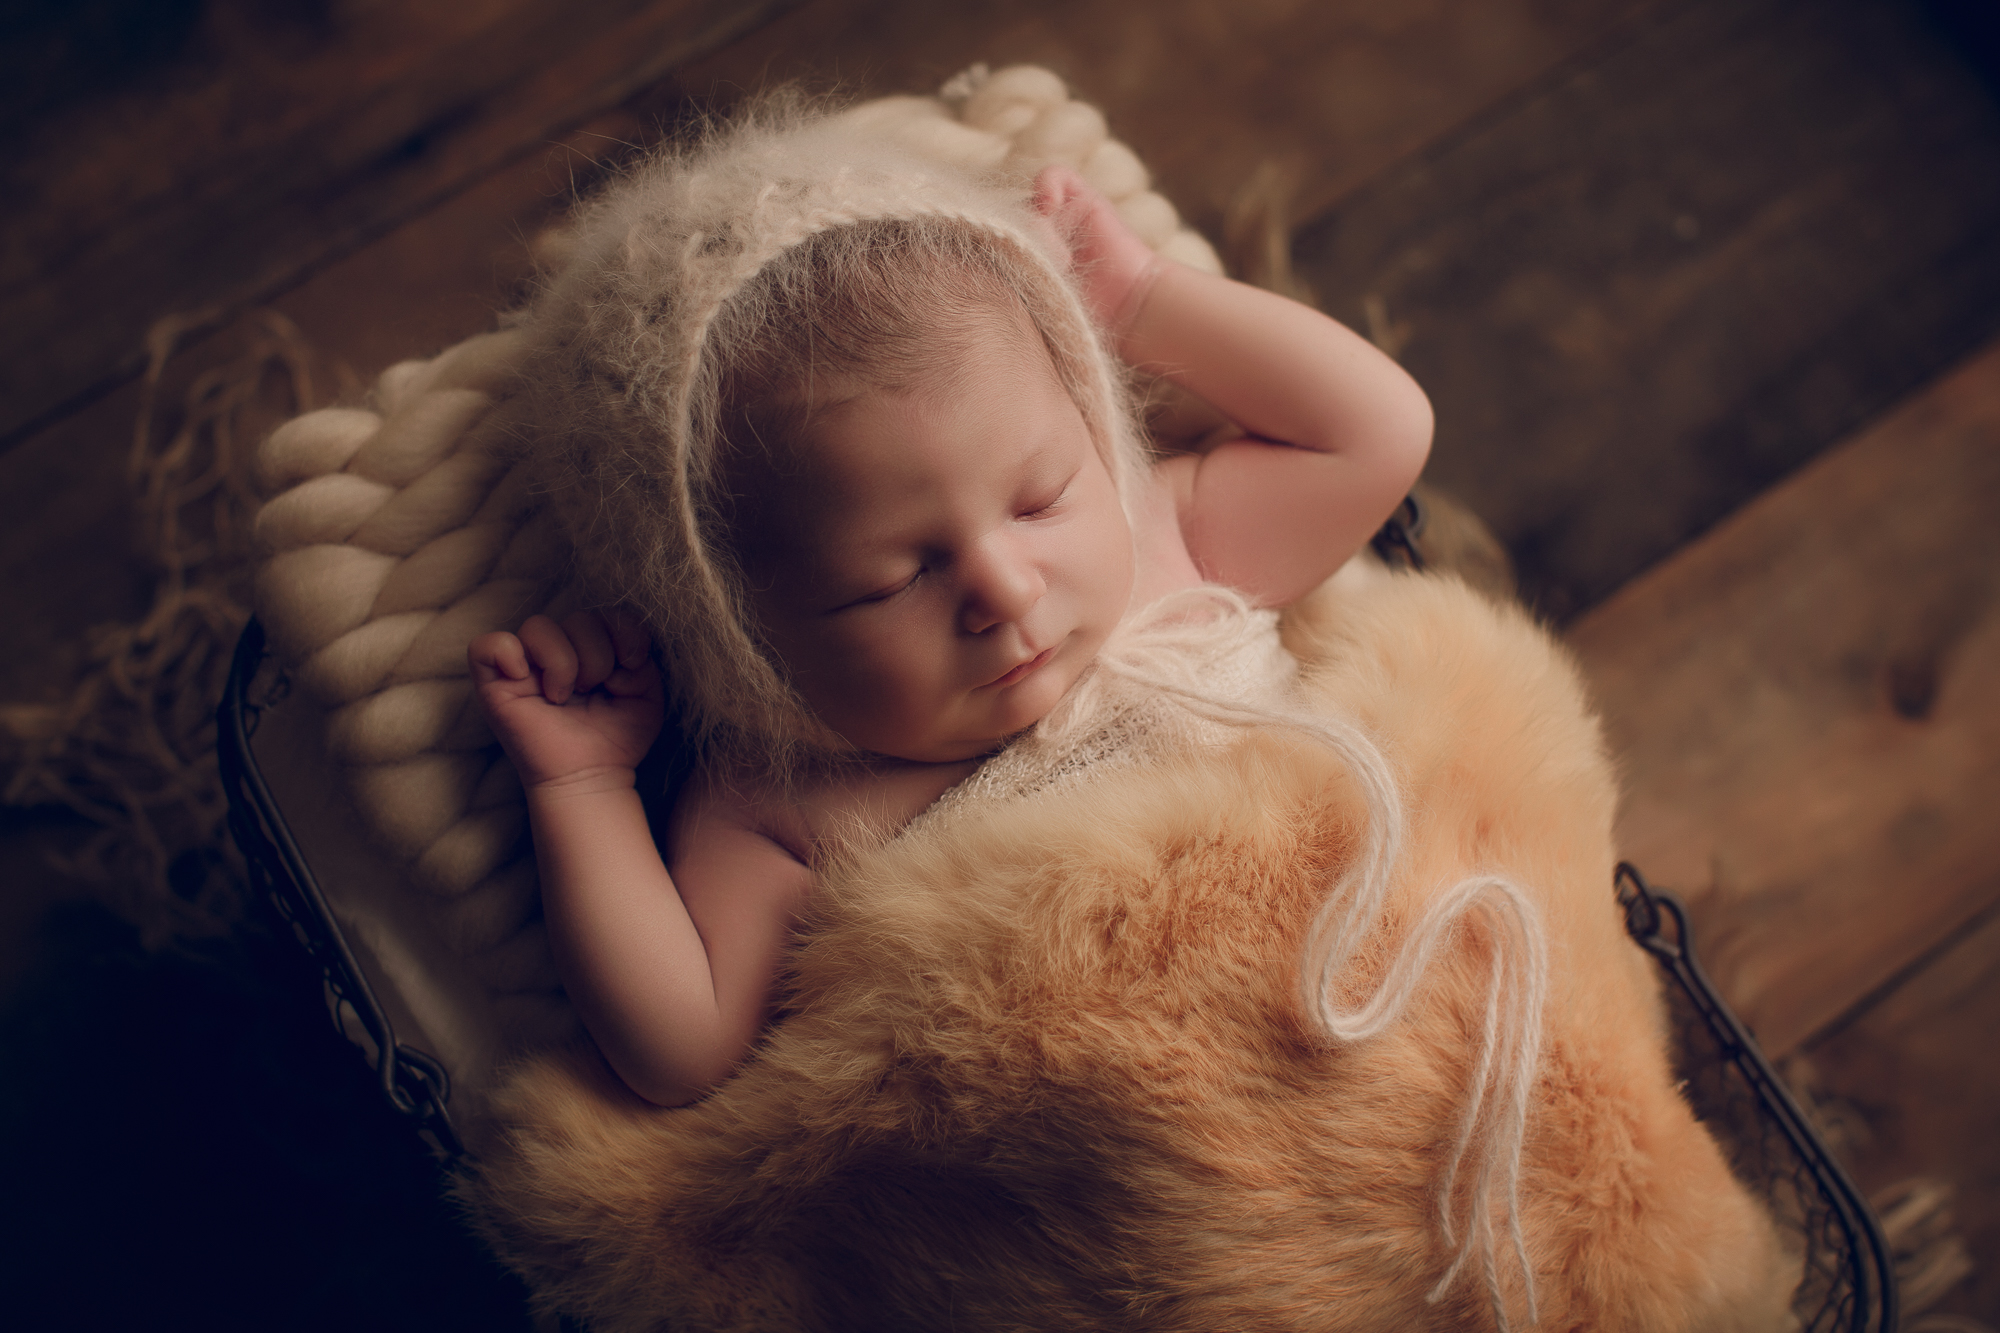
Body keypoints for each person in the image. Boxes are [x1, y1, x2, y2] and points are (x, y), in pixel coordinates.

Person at [468, 108, 1432, 1110]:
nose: (1005, 589)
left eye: (1040, 497)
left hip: (1392, 1007)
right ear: (736, 632)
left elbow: (1375, 434)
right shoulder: (782, 801)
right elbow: (681, 1049)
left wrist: (1143, 300)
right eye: (889, 581)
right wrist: (582, 788)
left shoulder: (1166, 544)